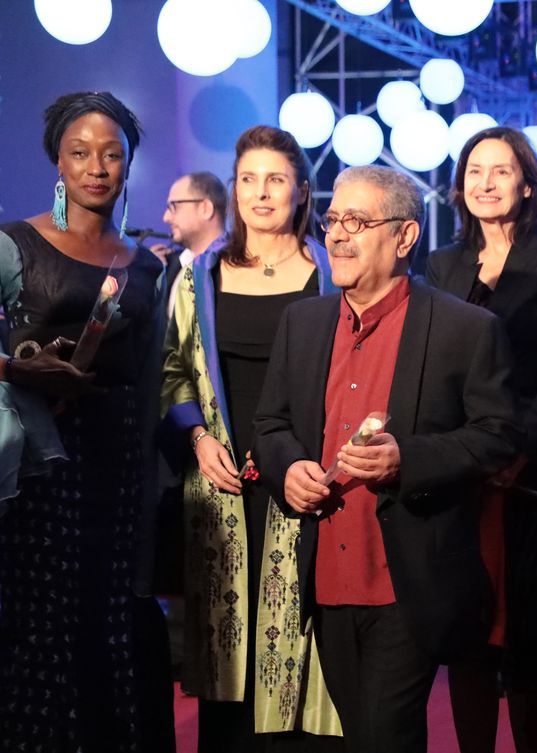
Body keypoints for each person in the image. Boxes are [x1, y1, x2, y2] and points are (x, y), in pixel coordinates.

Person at [253, 164, 520, 753]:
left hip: (408, 578)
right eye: (332, 220)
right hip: (325, 576)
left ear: (405, 236)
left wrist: (409, 460)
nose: (336, 235)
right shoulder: (303, 322)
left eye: (356, 221)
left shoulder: (465, 328)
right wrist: (288, 468)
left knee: (384, 735)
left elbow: (498, 435)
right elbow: (270, 424)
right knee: (361, 734)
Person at [0, 91, 171, 753]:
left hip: (119, 461)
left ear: (128, 164)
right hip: (38, 463)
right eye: (80, 153)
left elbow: (154, 373)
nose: (97, 167)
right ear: (59, 162)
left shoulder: (148, 266)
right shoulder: (15, 243)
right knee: (41, 618)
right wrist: (19, 371)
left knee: (110, 615)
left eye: (111, 154)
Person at [160, 125, 338, 752]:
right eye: (248, 179)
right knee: (226, 652)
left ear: (302, 191)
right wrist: (197, 439)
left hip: (307, 479)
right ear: (234, 191)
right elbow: (173, 370)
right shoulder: (199, 276)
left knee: (306, 644)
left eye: (276, 179)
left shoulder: (330, 273)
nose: (261, 193)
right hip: (221, 486)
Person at [426, 126, 537, 753]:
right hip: (460, 468)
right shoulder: (442, 264)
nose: (485, 183)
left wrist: (518, 451)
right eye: (474, 171)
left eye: (500, 171)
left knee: (526, 618)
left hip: (532, 465)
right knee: (467, 620)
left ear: (526, 185)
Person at [153, 171, 228, 318]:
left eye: (174, 206)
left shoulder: (240, 266)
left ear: (205, 208)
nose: (166, 218)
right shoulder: (169, 265)